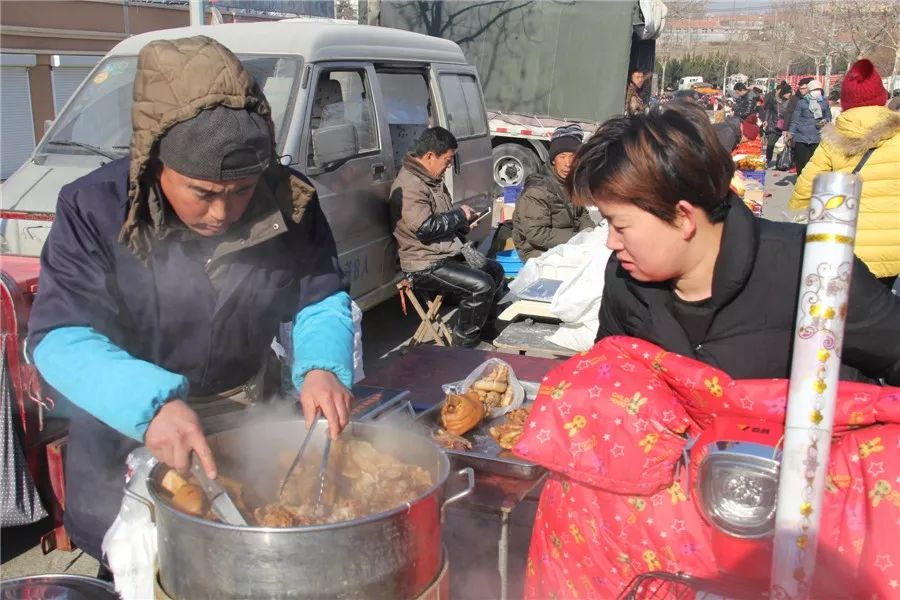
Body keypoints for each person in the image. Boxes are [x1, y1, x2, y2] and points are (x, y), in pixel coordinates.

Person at [27, 37, 354, 561]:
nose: (222, 214)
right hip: (126, 431)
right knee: (147, 565)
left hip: (247, 421)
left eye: (242, 191)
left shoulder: (289, 201)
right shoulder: (93, 209)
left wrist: (321, 366)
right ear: (156, 163)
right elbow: (59, 338)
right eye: (201, 193)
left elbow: (319, 293)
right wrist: (151, 406)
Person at [566, 103, 900, 384]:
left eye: (620, 225)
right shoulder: (625, 279)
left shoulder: (811, 271)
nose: (611, 242)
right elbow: (609, 382)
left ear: (682, 216)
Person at [389, 127, 504, 348]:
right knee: (482, 285)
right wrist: (459, 215)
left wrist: (463, 225)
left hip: (443, 253)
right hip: (424, 263)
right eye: (447, 160)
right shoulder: (410, 185)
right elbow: (424, 228)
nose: (449, 166)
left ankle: (483, 330)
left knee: (495, 270)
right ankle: (463, 345)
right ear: (430, 156)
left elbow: (440, 223)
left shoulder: (433, 180)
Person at [789, 59, 900, 287]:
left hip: (845, 248)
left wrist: (794, 227)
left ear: (846, 101)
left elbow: (805, 189)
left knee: (849, 312)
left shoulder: (832, 141)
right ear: (882, 96)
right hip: (894, 248)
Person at [512, 124, 594, 261]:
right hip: (537, 250)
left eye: (573, 157)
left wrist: (591, 233)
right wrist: (578, 239)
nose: (568, 163)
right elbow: (537, 234)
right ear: (553, 160)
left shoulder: (572, 182)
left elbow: (582, 215)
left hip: (565, 243)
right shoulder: (537, 190)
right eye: (562, 156)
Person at [788, 78, 831, 174]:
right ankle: (800, 180)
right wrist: (790, 133)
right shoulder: (802, 102)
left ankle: (811, 182)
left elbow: (828, 117)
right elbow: (795, 120)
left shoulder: (824, 103)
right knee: (801, 162)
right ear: (810, 91)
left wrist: (825, 121)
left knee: (814, 163)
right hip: (801, 137)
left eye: (819, 90)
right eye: (815, 90)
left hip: (817, 136)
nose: (817, 92)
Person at [762, 84, 792, 164]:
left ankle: (782, 161)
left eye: (790, 92)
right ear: (783, 93)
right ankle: (768, 159)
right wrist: (766, 120)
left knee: (784, 144)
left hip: (786, 125)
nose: (789, 94)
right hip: (774, 124)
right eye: (787, 93)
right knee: (771, 143)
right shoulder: (774, 101)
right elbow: (768, 110)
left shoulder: (791, 102)